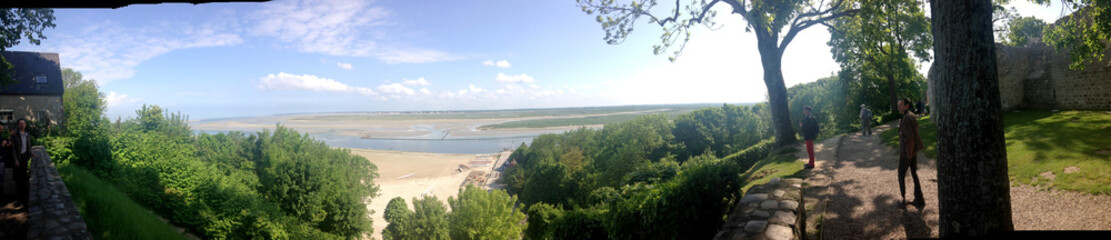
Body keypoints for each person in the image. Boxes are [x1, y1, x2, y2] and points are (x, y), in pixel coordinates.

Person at [897, 98, 926, 208]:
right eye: (898, 105)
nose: (899, 107)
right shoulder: (910, 115)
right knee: (914, 173)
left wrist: (908, 153)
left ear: (907, 105)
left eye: (901, 105)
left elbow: (909, 138)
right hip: (912, 150)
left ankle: (903, 200)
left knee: (900, 173)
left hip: (907, 151)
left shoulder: (907, 117)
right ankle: (919, 199)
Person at [12, 119, 36, 199]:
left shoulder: (27, 134)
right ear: (18, 125)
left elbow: (28, 145)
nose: (21, 125)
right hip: (18, 157)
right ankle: (20, 194)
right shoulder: (15, 135)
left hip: (25, 156)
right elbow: (13, 149)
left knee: (23, 174)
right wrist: (15, 160)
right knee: (18, 176)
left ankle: (24, 192)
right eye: (20, 124)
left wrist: (31, 153)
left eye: (23, 123)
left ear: (25, 125)